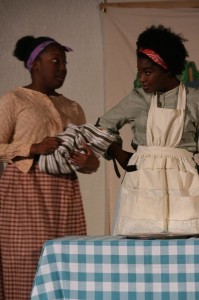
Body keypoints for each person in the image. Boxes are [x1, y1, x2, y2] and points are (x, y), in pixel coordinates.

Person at [0, 35, 99, 300]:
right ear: (35, 65)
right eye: (55, 61)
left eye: (65, 62)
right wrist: (31, 148)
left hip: (65, 192)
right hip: (25, 191)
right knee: (28, 264)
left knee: (68, 263)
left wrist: (90, 163)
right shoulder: (15, 99)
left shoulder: (73, 107)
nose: (62, 68)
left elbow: (86, 156)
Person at [97, 25, 199, 236]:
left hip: (183, 184)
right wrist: (119, 153)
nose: (142, 78)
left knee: (186, 236)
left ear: (168, 68)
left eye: (148, 72)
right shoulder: (139, 98)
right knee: (139, 235)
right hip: (142, 180)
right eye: (140, 72)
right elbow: (102, 126)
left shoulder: (194, 100)